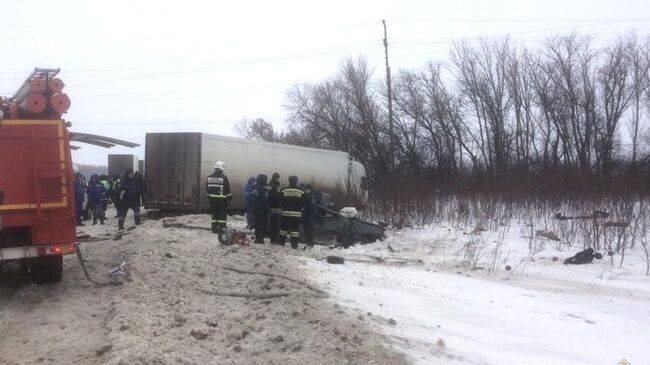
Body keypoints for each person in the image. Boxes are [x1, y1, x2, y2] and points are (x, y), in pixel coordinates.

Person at [279, 176, 306, 249]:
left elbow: (280, 201)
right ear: (296, 181)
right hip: (296, 214)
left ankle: (281, 242)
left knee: (283, 229)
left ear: (289, 181)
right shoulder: (302, 191)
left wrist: (284, 207)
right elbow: (304, 202)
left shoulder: (283, 190)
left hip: (285, 213)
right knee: (295, 231)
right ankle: (294, 245)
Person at [206, 161, 231, 233]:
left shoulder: (209, 177)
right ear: (222, 169)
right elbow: (227, 189)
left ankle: (214, 229)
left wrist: (209, 198)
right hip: (222, 200)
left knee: (214, 215)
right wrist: (230, 199)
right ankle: (222, 229)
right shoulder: (224, 178)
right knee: (222, 216)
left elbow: (207, 189)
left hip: (212, 200)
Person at [250, 174, 270, 244]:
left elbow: (251, 198)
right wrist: (268, 209)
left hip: (255, 209)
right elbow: (265, 200)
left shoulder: (254, 188)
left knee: (257, 224)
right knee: (262, 225)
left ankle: (257, 238)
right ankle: (260, 239)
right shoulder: (263, 189)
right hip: (262, 210)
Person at [268, 172, 282, 244]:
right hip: (275, 208)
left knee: (274, 224)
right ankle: (274, 239)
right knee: (275, 225)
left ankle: (273, 239)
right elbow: (274, 197)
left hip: (274, 207)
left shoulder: (272, 185)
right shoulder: (274, 186)